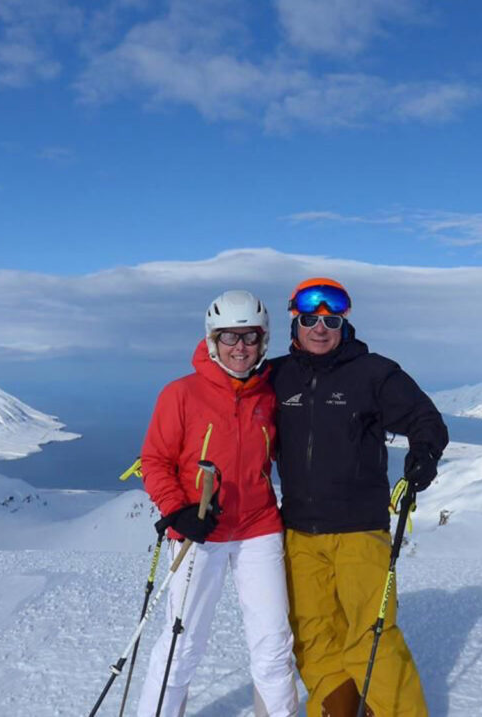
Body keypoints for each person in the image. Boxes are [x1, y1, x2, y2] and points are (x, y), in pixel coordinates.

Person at [269, 278, 448, 717]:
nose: (320, 328)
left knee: (373, 634)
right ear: (295, 321)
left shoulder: (374, 373)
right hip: (298, 532)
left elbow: (426, 419)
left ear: (344, 323)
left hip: (359, 530)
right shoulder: (275, 375)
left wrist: (423, 456)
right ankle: (339, 708)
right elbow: (227, 406)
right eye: (310, 319)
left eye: (331, 320)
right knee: (312, 634)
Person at [137, 290, 299, 717]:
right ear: (212, 340)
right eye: (230, 337)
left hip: (258, 528)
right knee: (182, 642)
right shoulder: (181, 394)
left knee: (273, 643)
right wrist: (178, 511)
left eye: (249, 337)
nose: (240, 347)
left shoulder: (269, 395)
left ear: (263, 341)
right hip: (199, 530)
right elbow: (154, 460)